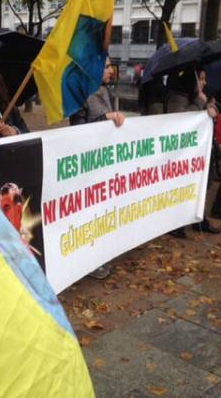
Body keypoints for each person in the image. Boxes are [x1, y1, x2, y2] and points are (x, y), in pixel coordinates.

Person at [70, 56, 125, 279]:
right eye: (106, 66)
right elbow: (77, 130)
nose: (111, 70)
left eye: (111, 66)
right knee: (89, 213)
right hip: (88, 165)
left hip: (105, 162)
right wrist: (105, 118)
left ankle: (101, 255)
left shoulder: (107, 92)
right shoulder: (80, 95)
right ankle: (89, 261)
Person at [164, 68, 220, 236]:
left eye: (204, 78)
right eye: (200, 79)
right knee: (184, 187)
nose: (204, 82)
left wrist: (210, 107)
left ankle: (199, 219)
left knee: (203, 184)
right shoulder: (178, 98)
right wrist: (199, 103)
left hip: (201, 151)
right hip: (184, 154)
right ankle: (176, 224)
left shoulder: (200, 96)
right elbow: (180, 121)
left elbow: (212, 112)